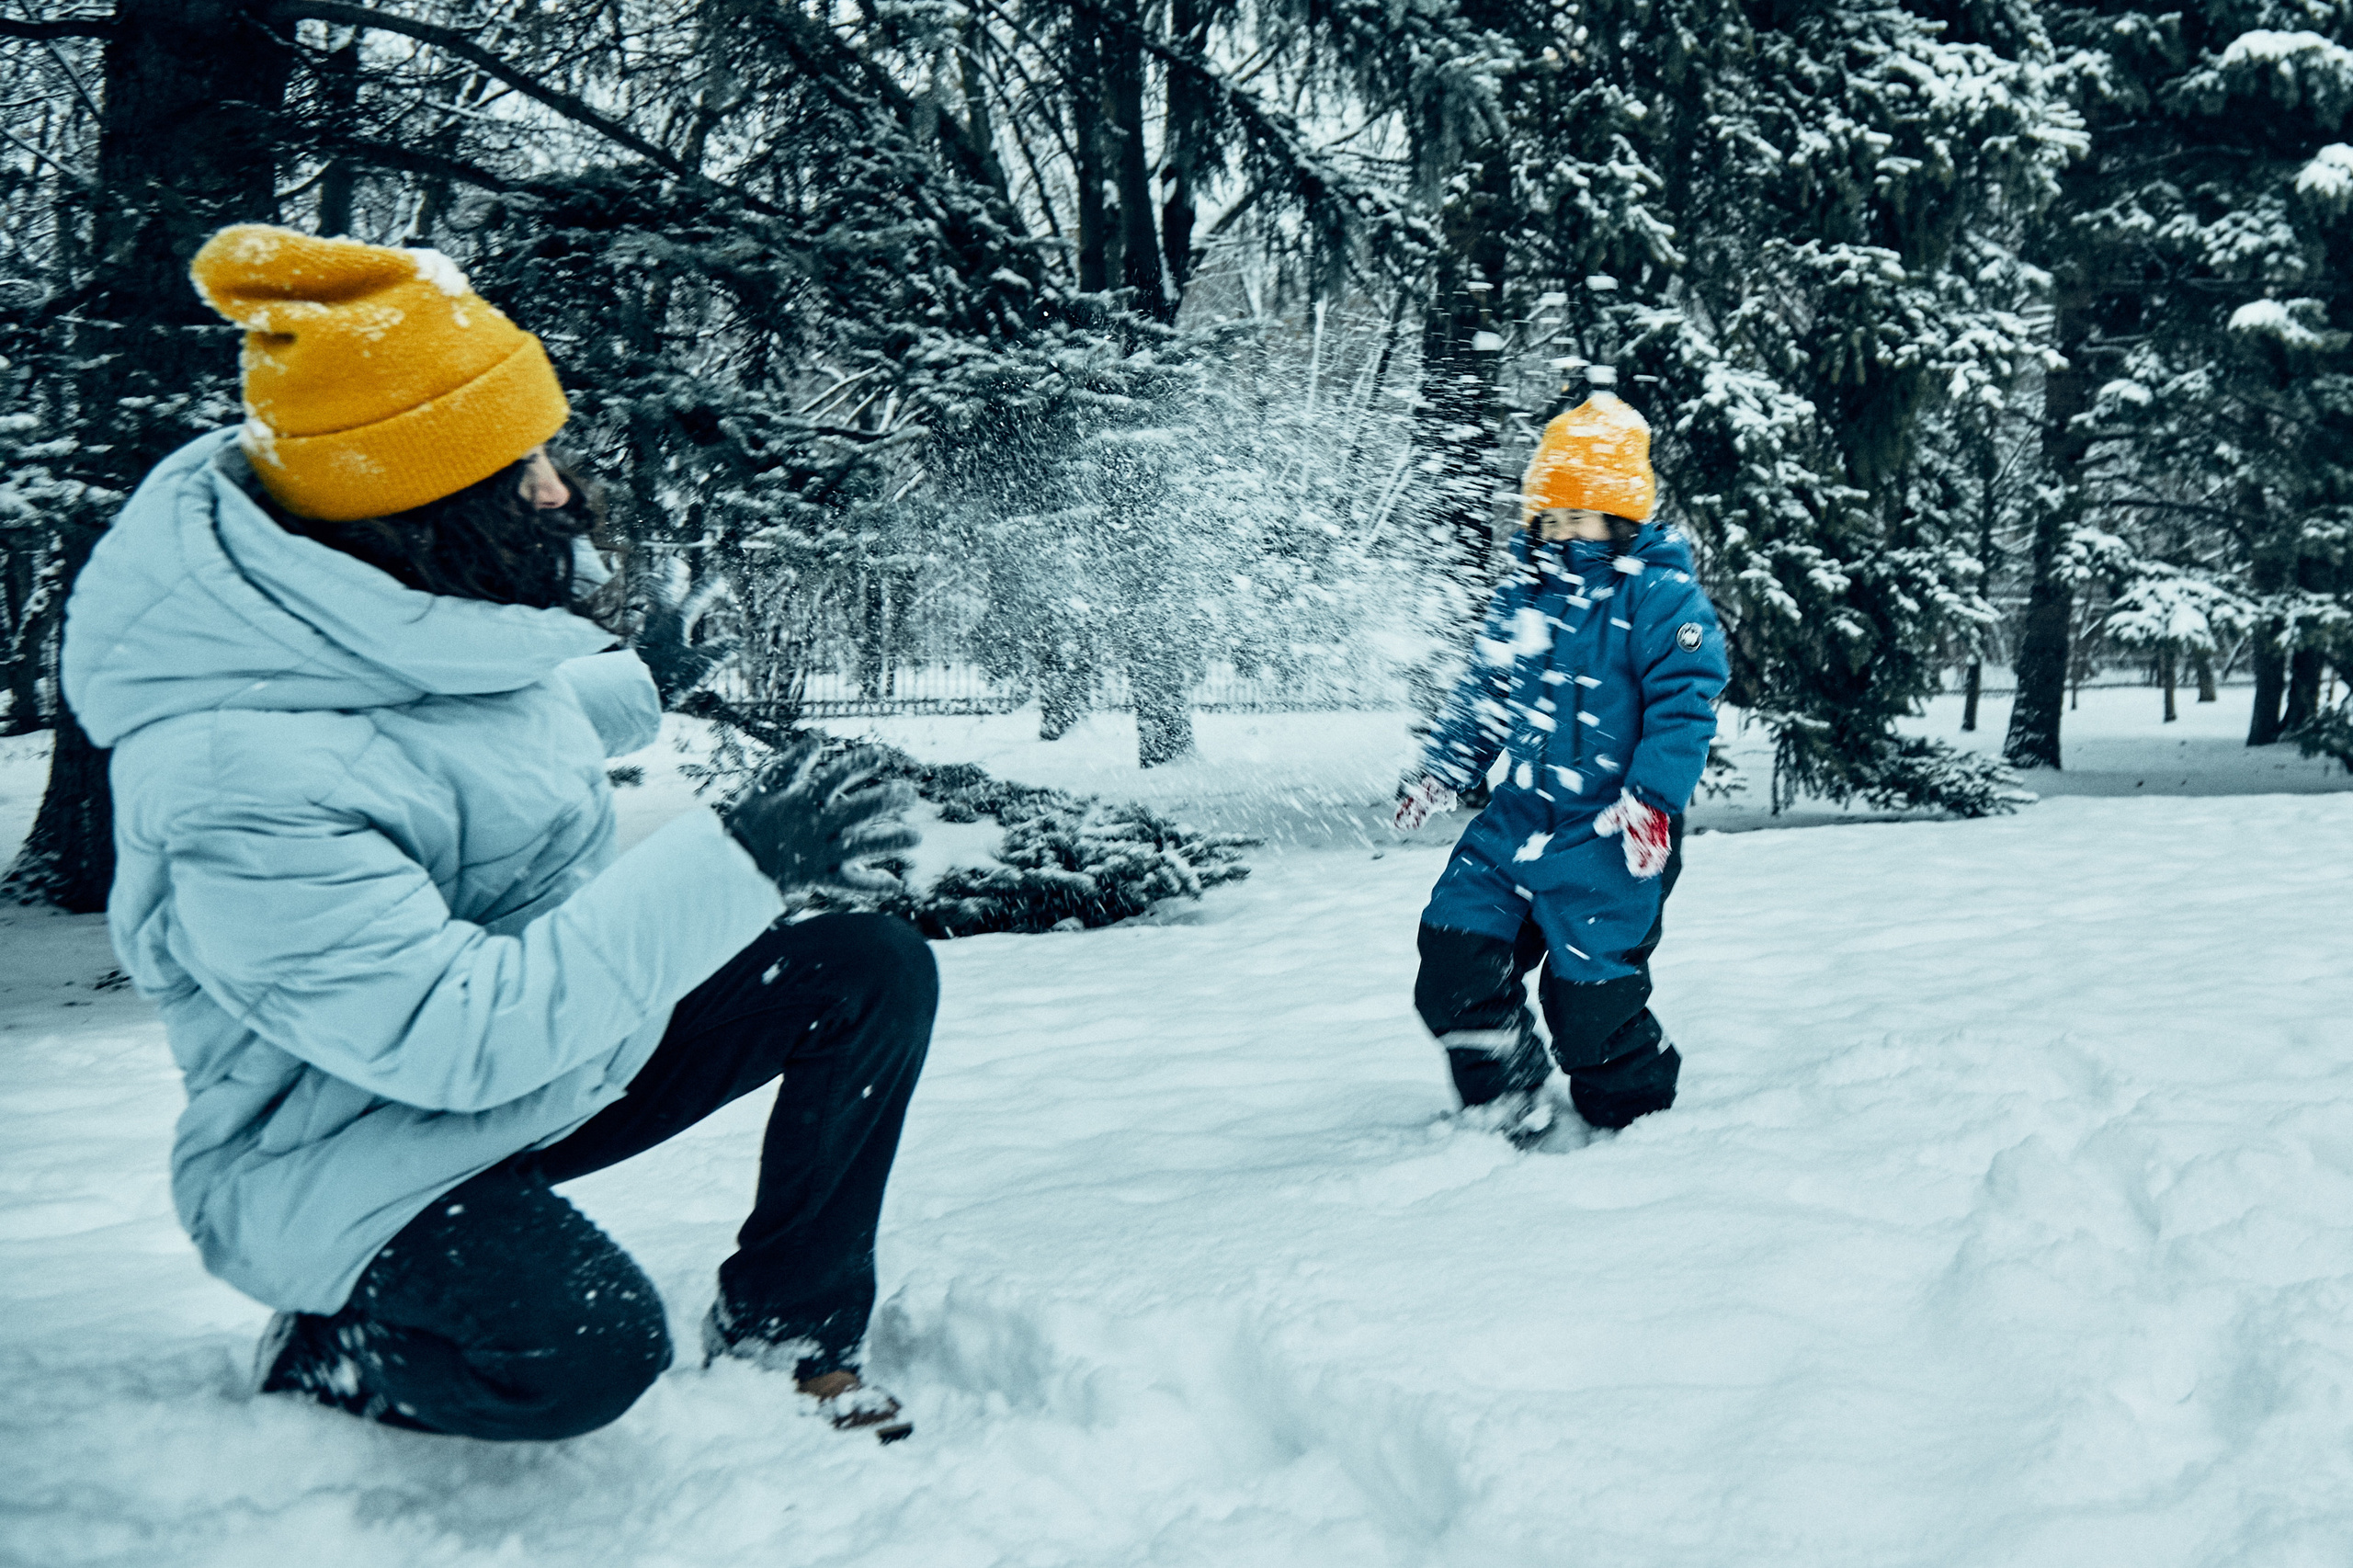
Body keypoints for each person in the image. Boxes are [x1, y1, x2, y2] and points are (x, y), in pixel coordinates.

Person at [62, 225, 934, 1444]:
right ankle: (327, 1350)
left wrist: (651, 679)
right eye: (517, 465)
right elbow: (447, 1034)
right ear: (407, 498)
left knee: (865, 967)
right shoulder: (232, 777)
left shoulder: (369, 608)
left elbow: (466, 743)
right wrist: (742, 851)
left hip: (544, 1070)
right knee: (582, 1354)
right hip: (353, 1156)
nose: (558, 489)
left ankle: (790, 1331)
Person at [1393, 369, 1729, 1140]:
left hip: (1611, 834)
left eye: (1587, 514)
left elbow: (1685, 703)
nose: (1568, 530)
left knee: (1590, 1006)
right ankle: (1505, 1093)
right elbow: (1483, 697)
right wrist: (1445, 768)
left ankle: (1636, 1118)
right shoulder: (1526, 598)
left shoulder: (1660, 598)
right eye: (1555, 514)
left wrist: (1651, 798)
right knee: (1454, 958)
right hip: (1514, 827)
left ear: (1623, 514)